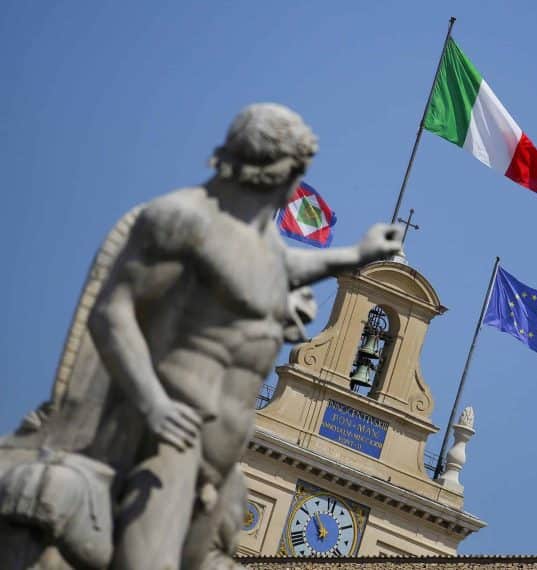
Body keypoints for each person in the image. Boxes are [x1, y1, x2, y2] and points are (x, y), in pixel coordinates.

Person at [83, 103, 402, 568]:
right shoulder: (182, 219)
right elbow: (111, 311)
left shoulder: (261, 242)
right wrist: (153, 404)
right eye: (295, 169)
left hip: (225, 472)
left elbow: (283, 266)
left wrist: (358, 254)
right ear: (279, 171)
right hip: (170, 446)